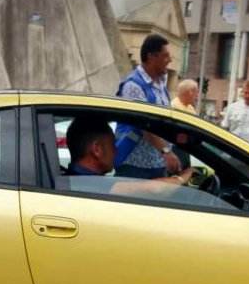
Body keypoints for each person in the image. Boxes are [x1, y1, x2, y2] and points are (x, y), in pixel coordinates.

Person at [114, 34, 182, 179]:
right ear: (151, 57)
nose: (170, 60)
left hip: (157, 164)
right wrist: (166, 152)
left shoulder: (160, 83)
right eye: (165, 56)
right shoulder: (133, 86)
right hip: (134, 166)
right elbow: (144, 124)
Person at [66, 117, 193, 185]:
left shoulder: (71, 178)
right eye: (112, 145)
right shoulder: (94, 185)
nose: (116, 151)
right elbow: (156, 189)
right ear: (97, 149)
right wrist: (185, 176)